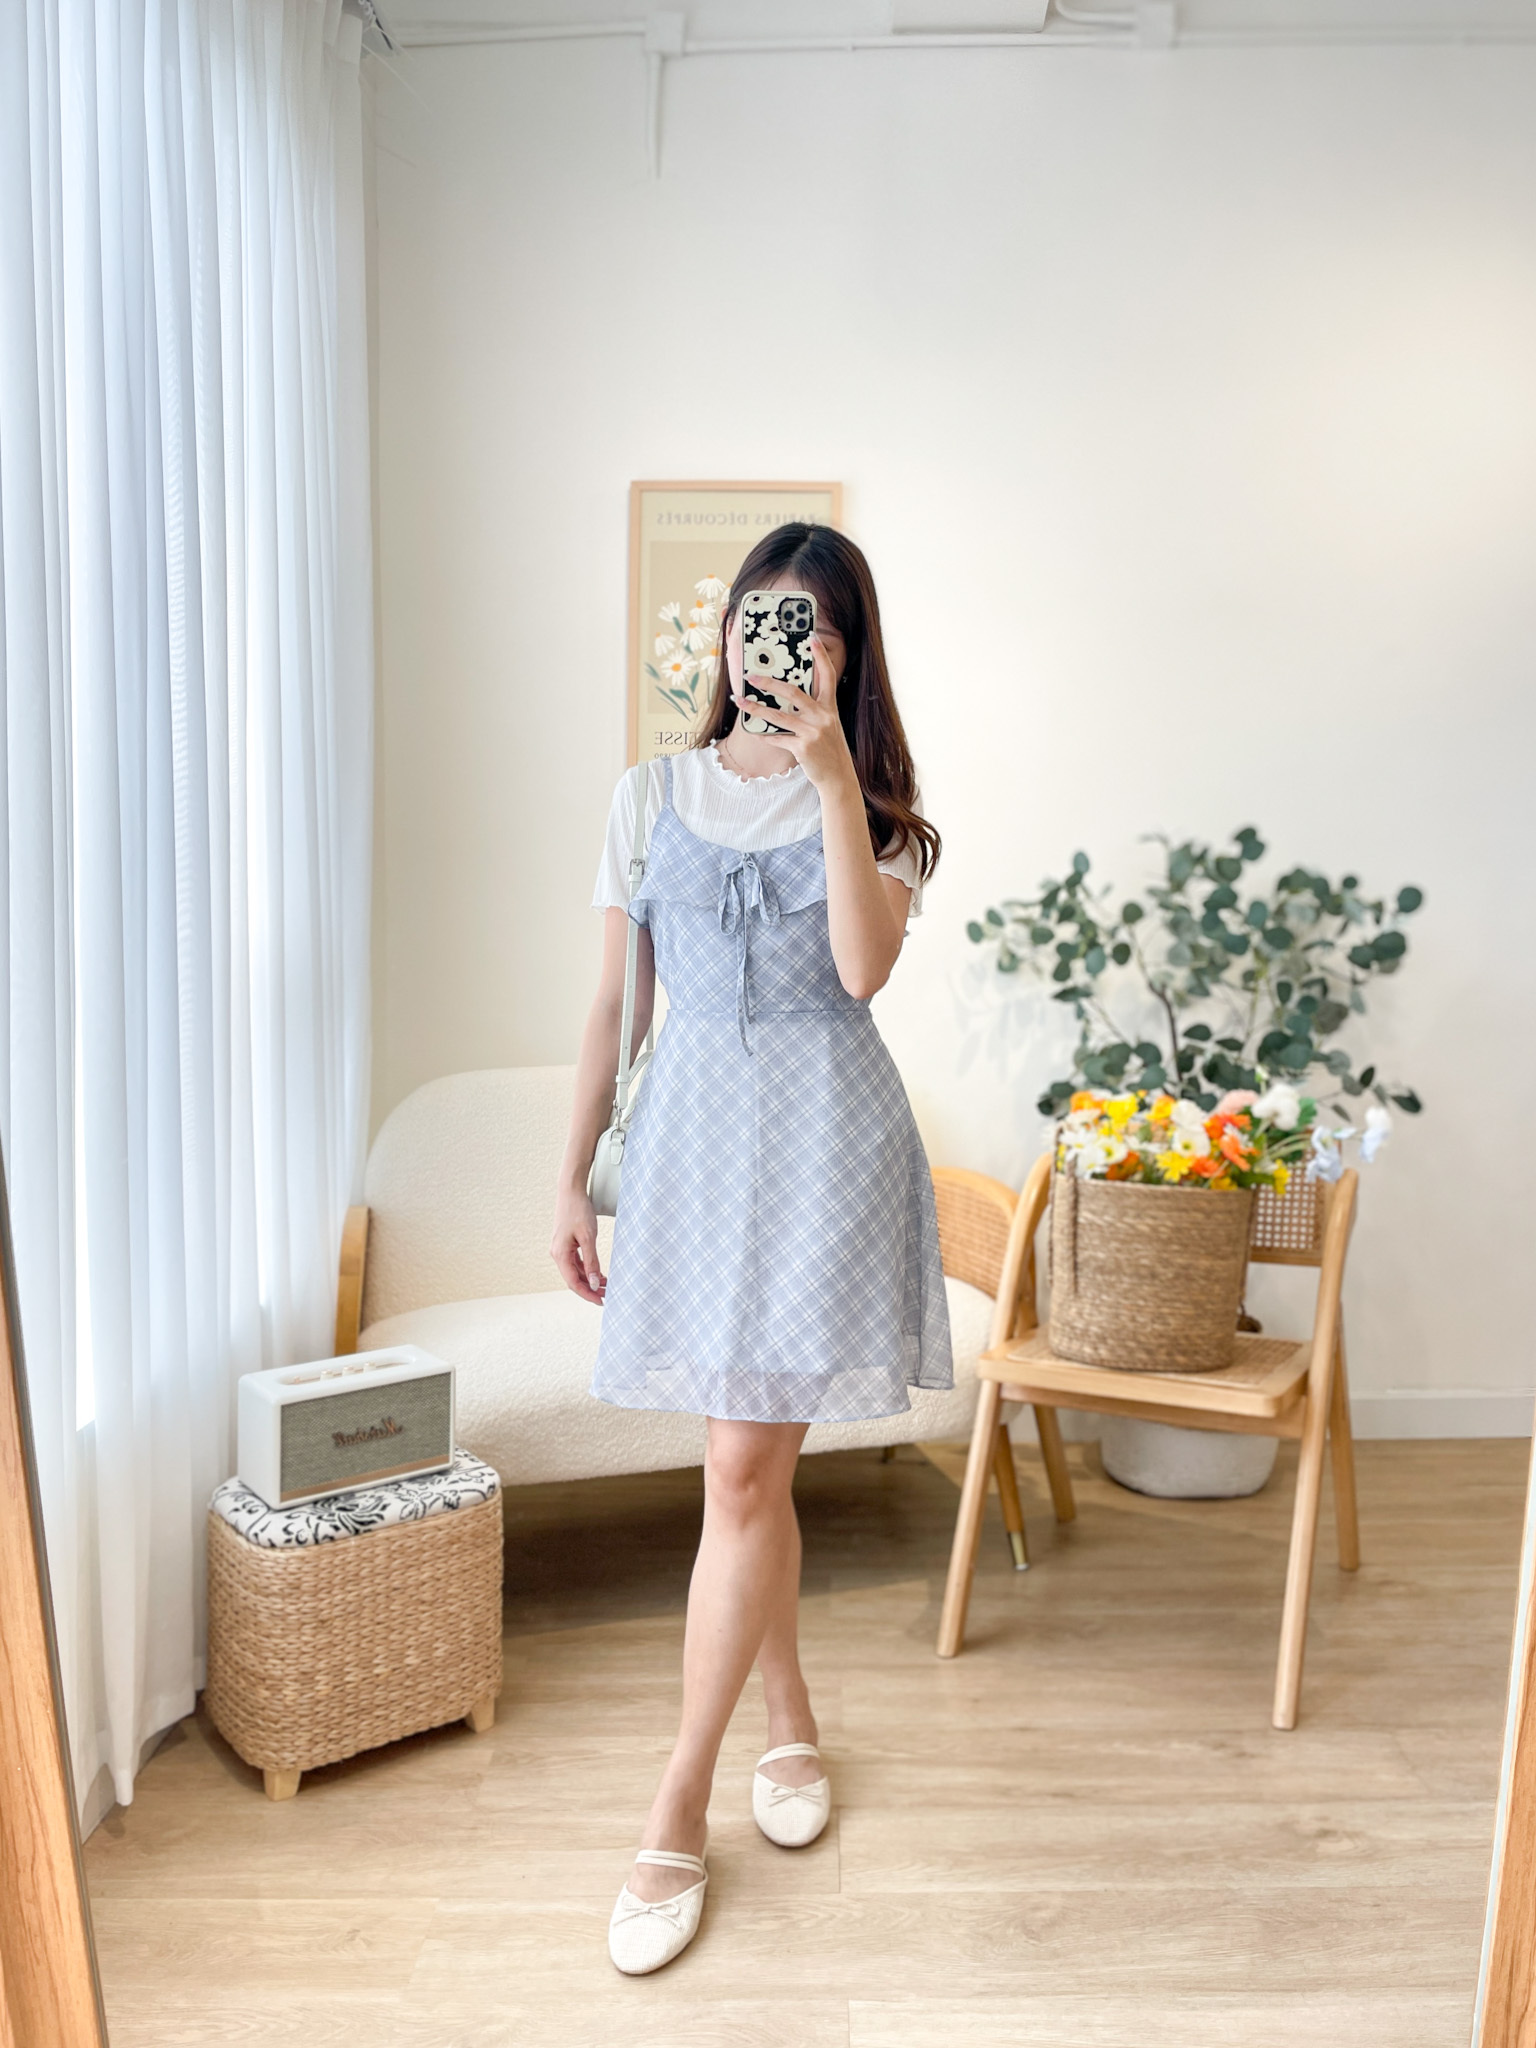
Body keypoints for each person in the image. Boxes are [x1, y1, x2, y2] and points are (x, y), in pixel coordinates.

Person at [550, 522, 951, 1975]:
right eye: (762, 620)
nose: (780, 646)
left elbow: (860, 970)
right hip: (694, 1160)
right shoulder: (648, 796)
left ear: (848, 657)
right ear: (725, 638)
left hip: (829, 1158)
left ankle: (676, 1806)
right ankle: (790, 1719)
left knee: (739, 1473)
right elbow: (617, 1007)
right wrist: (569, 1177)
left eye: (813, 629)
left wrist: (833, 778)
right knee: (753, 1477)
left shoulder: (883, 817)